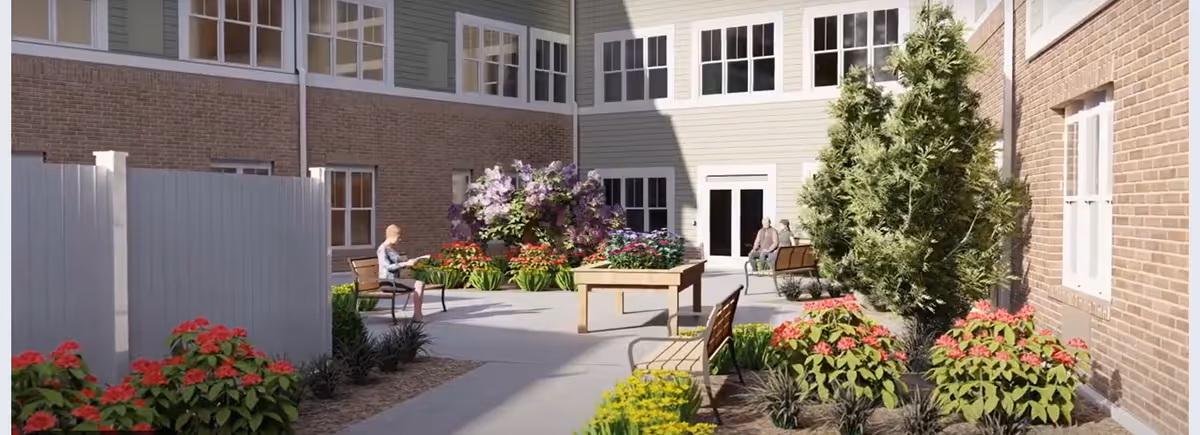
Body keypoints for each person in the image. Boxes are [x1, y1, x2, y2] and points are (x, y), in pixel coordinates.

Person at [378, 225, 431, 322]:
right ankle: (417, 315)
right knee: (419, 284)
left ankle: (417, 314)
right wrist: (405, 263)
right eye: (399, 237)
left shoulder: (391, 248)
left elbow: (397, 263)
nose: (400, 240)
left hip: (395, 280)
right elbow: (388, 267)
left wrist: (410, 262)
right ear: (392, 236)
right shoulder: (382, 249)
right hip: (387, 282)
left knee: (420, 283)